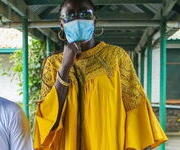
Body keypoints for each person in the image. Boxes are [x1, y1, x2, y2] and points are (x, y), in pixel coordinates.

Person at [33, 0, 167, 150]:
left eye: (85, 14)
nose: (78, 20)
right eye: (70, 15)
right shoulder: (53, 64)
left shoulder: (117, 57)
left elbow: (136, 109)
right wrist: (65, 67)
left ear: (94, 21)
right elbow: (47, 119)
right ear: (61, 24)